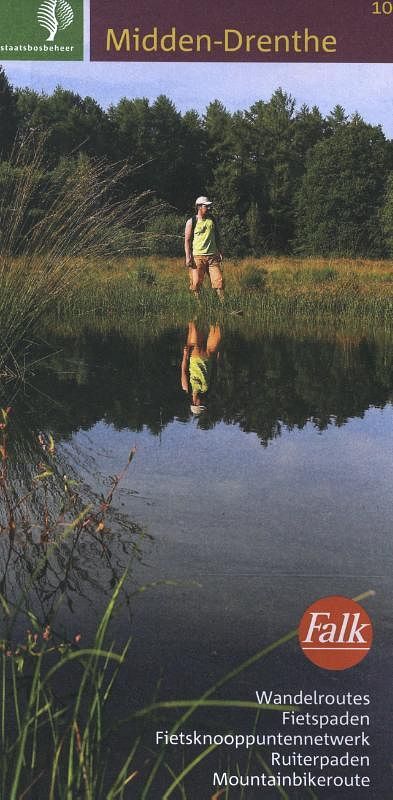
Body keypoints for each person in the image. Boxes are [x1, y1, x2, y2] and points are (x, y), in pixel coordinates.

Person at [184, 196, 224, 301]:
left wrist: (220, 251)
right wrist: (188, 257)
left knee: (219, 281)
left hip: (212, 257)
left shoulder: (212, 220)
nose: (209, 208)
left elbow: (217, 236)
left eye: (209, 206)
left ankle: (223, 305)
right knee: (196, 283)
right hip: (197, 257)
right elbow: (187, 240)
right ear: (199, 207)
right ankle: (199, 305)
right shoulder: (191, 221)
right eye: (206, 206)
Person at [181, 320, 221, 415]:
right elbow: (214, 374)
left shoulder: (187, 387)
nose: (203, 402)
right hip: (208, 355)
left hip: (195, 355)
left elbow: (183, 370)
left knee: (194, 326)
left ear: (194, 403)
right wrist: (217, 360)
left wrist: (185, 355)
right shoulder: (206, 390)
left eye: (200, 404)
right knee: (218, 329)